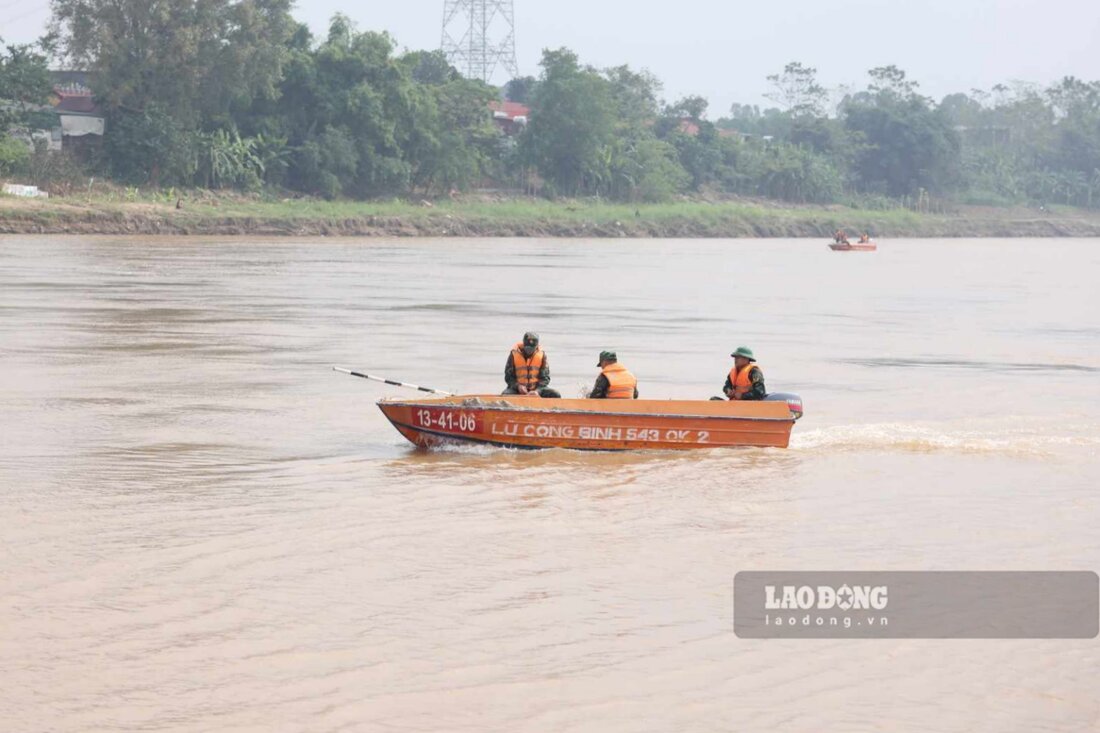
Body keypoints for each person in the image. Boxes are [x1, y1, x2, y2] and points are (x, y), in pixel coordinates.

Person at [503, 332, 561, 398]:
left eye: (532, 348)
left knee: (556, 394)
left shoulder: (542, 356)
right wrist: (518, 386)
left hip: (537, 390)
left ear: (536, 347)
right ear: (524, 344)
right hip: (517, 390)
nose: (529, 351)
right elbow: (508, 377)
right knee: (505, 395)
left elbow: (545, 378)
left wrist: (537, 391)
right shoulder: (513, 355)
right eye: (527, 348)